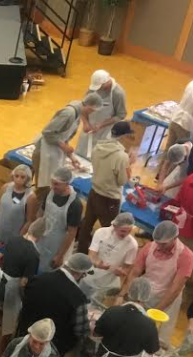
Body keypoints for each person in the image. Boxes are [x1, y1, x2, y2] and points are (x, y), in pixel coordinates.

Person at [118, 220, 193, 345]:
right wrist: (122, 294)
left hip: (168, 297)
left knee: (158, 334)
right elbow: (135, 272)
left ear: (175, 238)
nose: (159, 246)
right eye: (157, 242)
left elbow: (175, 288)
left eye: (163, 244)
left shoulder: (186, 256)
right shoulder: (150, 247)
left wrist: (156, 312)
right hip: (145, 291)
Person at [94, 277, 160, 357]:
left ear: (130, 292)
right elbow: (152, 350)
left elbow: (96, 333)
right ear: (147, 296)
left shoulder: (112, 311)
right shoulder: (148, 324)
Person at [17, 250, 91, 357]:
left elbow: (24, 297)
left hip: (26, 335)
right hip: (51, 348)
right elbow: (81, 330)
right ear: (82, 274)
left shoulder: (37, 279)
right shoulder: (78, 298)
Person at [0, 218, 43, 357]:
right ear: (41, 236)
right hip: (11, 291)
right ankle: (0, 355)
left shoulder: (13, 240)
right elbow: (24, 282)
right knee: (8, 328)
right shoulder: (33, 255)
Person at [77, 121, 135, 252]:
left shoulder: (98, 147)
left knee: (86, 225)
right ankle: (102, 257)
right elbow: (121, 181)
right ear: (124, 136)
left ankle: (81, 252)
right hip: (109, 198)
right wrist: (129, 164)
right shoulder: (121, 156)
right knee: (110, 231)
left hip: (94, 191)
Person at [32, 93, 102, 191]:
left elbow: (64, 138)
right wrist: (63, 146)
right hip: (43, 153)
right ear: (89, 107)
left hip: (52, 152)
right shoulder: (68, 114)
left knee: (50, 187)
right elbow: (47, 132)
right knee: (43, 189)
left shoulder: (77, 116)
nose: (91, 113)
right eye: (92, 111)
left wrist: (72, 157)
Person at [27, 167, 82, 271]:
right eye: (52, 183)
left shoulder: (75, 205)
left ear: (67, 184)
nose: (53, 186)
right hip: (41, 237)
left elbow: (71, 233)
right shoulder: (50, 192)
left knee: (47, 271)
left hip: (58, 244)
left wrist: (60, 255)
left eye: (57, 184)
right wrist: (35, 233)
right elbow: (41, 215)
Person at [79, 212, 138, 299]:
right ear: (114, 226)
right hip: (91, 275)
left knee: (94, 307)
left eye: (129, 231)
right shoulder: (101, 233)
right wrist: (98, 264)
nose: (125, 234)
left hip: (108, 283)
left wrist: (121, 272)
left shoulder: (132, 245)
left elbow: (127, 268)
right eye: (123, 231)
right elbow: (91, 256)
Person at [75, 70, 128, 157]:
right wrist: (85, 122)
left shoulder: (118, 93)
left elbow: (121, 115)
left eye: (100, 86)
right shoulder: (93, 89)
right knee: (80, 155)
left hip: (105, 133)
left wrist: (101, 125)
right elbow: (83, 107)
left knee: (98, 159)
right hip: (89, 129)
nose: (98, 89)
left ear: (107, 82)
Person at [0, 164, 33, 247]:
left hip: (14, 235)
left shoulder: (30, 197)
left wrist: (19, 238)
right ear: (12, 176)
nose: (18, 179)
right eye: (16, 176)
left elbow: (29, 220)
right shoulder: (5, 188)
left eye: (22, 177)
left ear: (27, 179)